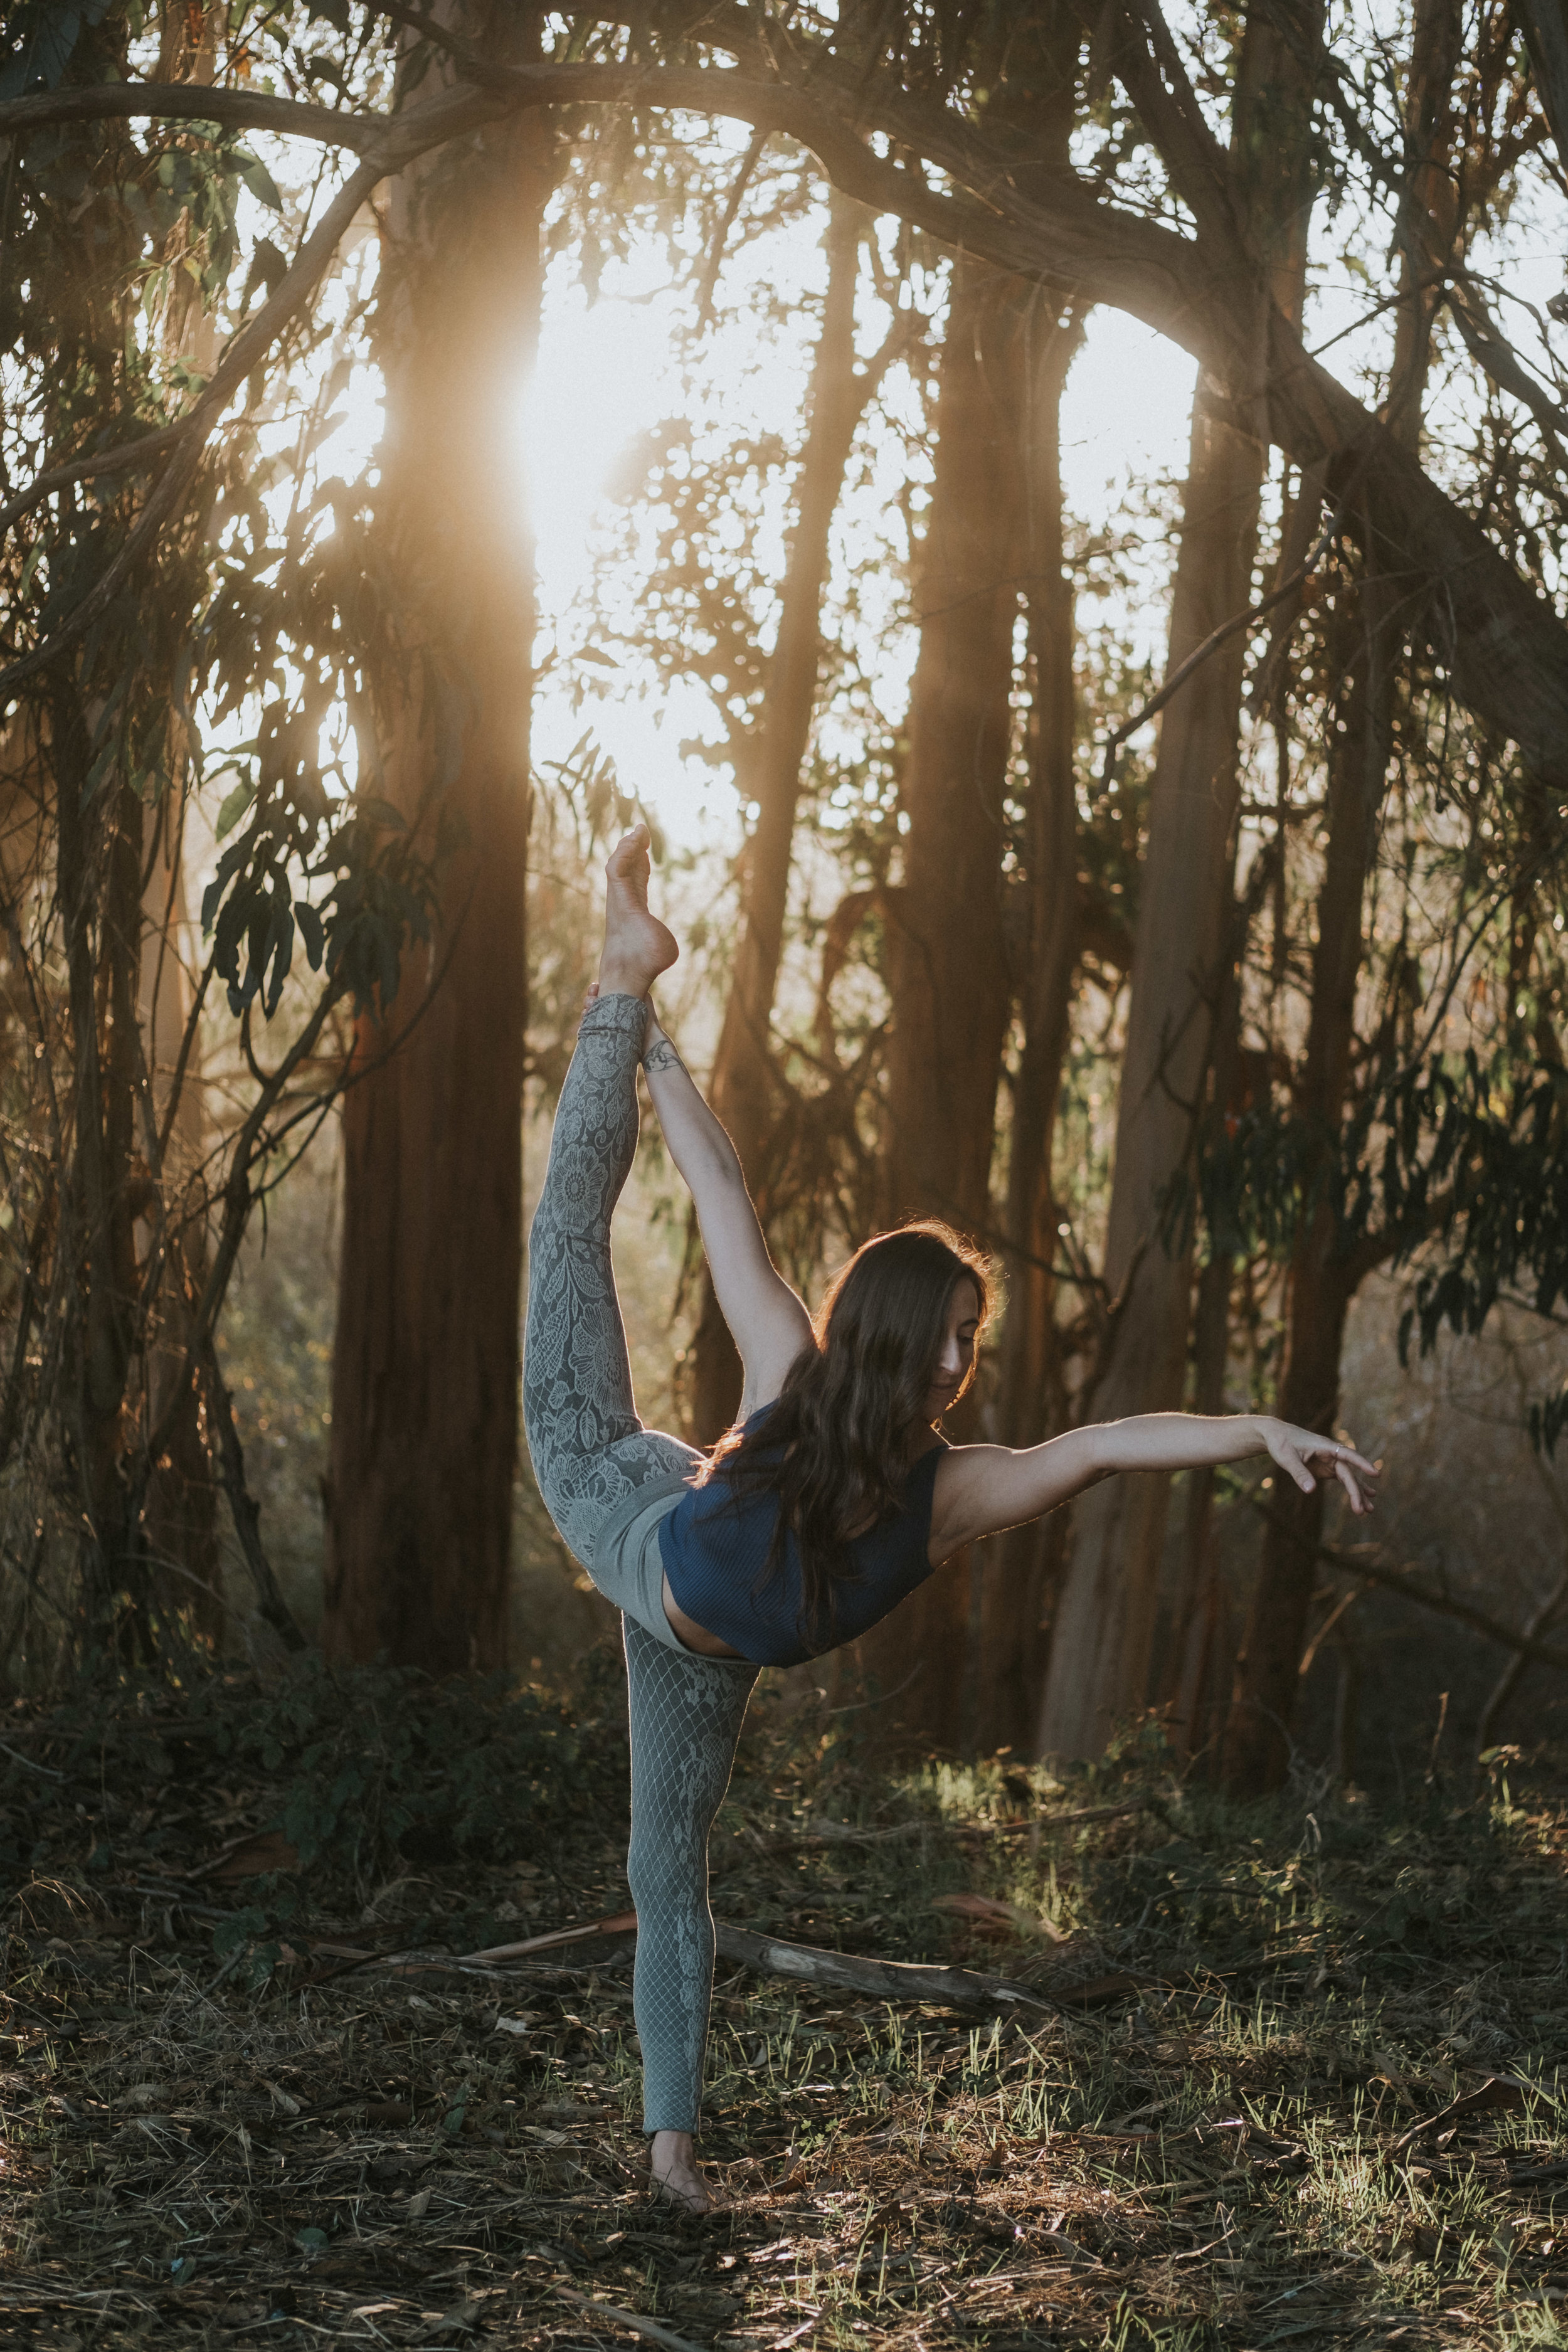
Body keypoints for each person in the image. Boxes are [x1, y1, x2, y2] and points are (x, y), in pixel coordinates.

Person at [523, 825, 1379, 2213]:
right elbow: (723, 1195)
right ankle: (618, 972)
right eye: (942, 1335)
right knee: (568, 1241)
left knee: (663, 1869)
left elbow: (1098, 1447)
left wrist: (1255, 1426)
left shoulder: (949, 1491)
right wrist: (645, 1038)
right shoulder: (790, 1371)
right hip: (617, 1496)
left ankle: (669, 2158)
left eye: (971, 1340)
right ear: (889, 1331)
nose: (955, 1362)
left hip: (701, 1650)